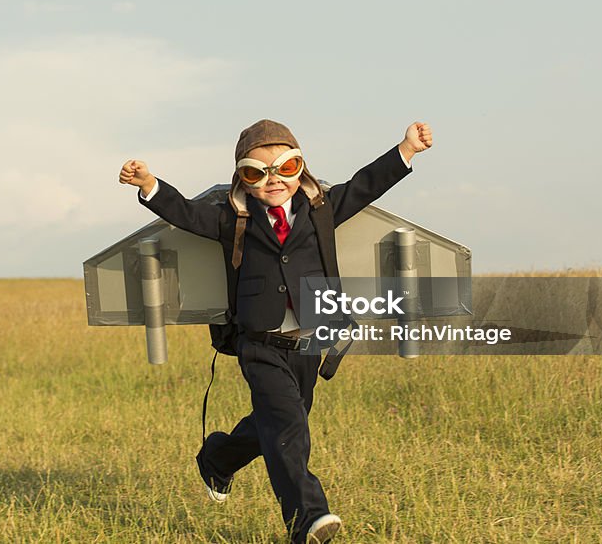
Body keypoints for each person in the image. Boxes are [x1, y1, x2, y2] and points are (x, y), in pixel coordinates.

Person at [119, 119, 433, 544]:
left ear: (300, 168)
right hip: (258, 340)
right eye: (256, 173)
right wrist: (149, 183)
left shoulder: (321, 209)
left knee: (279, 420)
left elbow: (365, 185)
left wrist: (406, 149)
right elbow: (187, 214)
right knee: (288, 425)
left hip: (307, 339)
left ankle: (218, 458)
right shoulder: (234, 219)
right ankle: (307, 518)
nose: (273, 181)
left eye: (285, 168)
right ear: (243, 180)